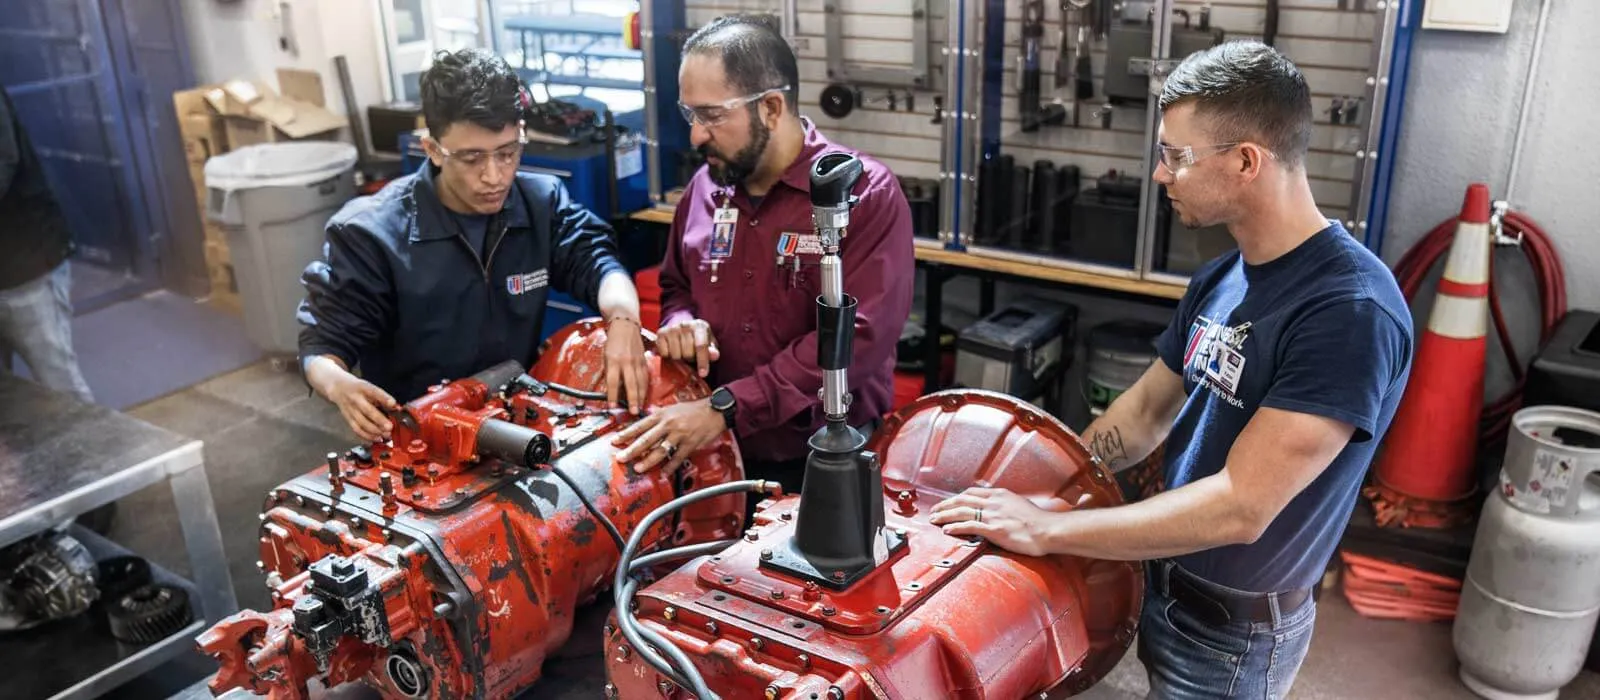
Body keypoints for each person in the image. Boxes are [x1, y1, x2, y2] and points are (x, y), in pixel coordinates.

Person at [930, 41, 1414, 699]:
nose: (1160, 175)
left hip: (1235, 636)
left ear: (1247, 160)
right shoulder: (1225, 274)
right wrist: (1057, 489)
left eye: (1176, 157)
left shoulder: (1348, 312)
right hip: (1167, 587)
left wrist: (1052, 529)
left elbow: (1241, 506)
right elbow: (1145, 414)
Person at [614, 15, 915, 489]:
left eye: (712, 115)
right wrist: (679, 325)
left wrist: (729, 407)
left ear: (772, 107)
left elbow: (857, 341)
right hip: (713, 453)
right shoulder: (705, 188)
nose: (695, 135)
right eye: (690, 114)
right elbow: (675, 287)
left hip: (822, 464)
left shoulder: (861, 195)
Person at [298, 49, 648, 441]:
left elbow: (597, 261)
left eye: (507, 152)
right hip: (422, 445)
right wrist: (338, 384)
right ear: (432, 149)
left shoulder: (540, 203)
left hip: (518, 427)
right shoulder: (370, 233)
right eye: (472, 158)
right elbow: (323, 343)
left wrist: (623, 319)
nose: (494, 176)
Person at [0, 85, 94, 405]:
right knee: (9, 404)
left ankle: (95, 454)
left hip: (26, 266)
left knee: (60, 386)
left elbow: (3, 161)